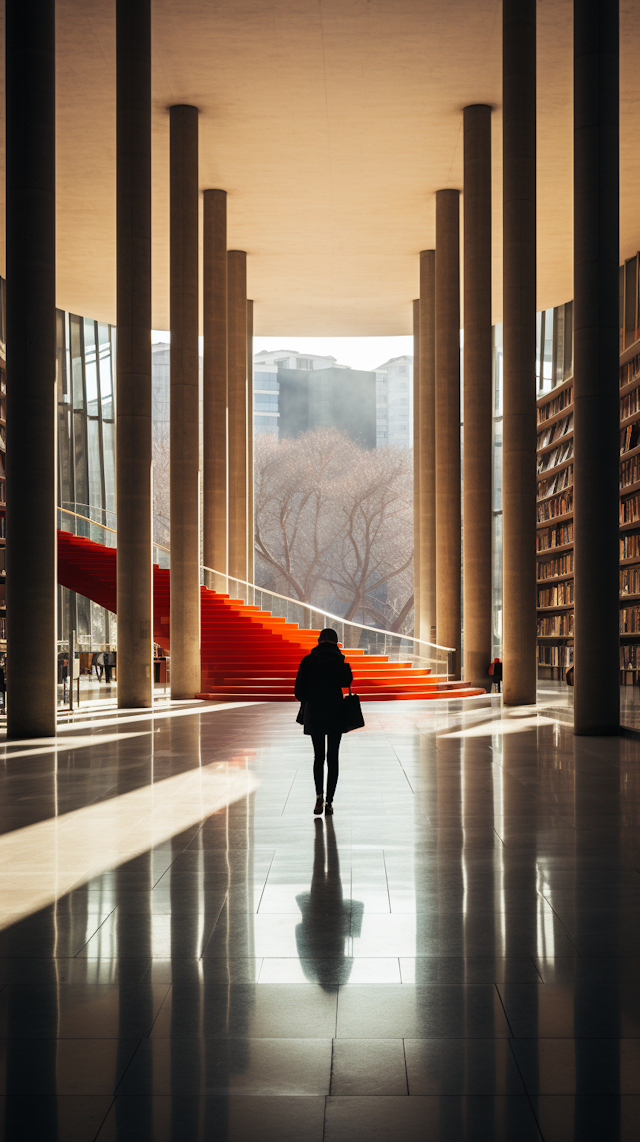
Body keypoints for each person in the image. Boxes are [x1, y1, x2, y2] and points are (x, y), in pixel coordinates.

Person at [295, 628, 352, 816]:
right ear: (336, 642)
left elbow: (298, 692)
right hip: (335, 713)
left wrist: (312, 696)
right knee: (333, 757)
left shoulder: (308, 660)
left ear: (319, 640)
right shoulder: (340, 661)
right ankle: (330, 802)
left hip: (315, 714)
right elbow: (347, 682)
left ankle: (319, 795)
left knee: (318, 756)